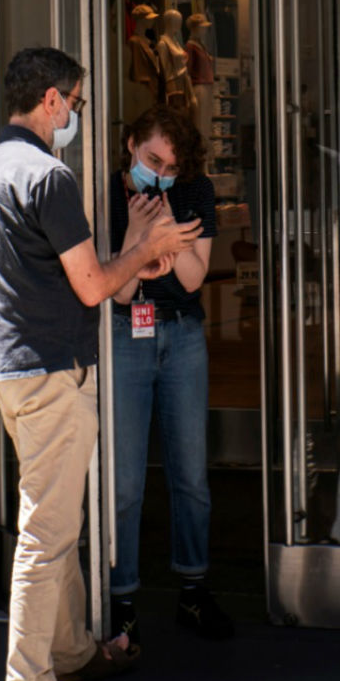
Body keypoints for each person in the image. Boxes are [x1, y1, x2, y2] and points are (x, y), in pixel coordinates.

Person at [0, 48, 201, 681]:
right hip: (51, 373)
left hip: (10, 371)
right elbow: (93, 287)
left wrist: (131, 261)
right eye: (77, 102)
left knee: (54, 521)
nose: (77, 114)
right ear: (53, 102)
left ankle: (70, 651)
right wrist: (147, 252)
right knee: (47, 532)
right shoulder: (47, 177)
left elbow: (52, 278)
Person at [107, 104, 235, 645]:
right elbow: (117, 289)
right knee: (125, 482)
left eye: (170, 168)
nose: (158, 174)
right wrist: (142, 241)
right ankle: (121, 598)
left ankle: (193, 588)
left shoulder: (194, 192)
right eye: (151, 158)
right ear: (131, 142)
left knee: (191, 475)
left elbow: (191, 279)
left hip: (181, 333)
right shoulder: (106, 193)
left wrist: (159, 235)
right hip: (124, 335)